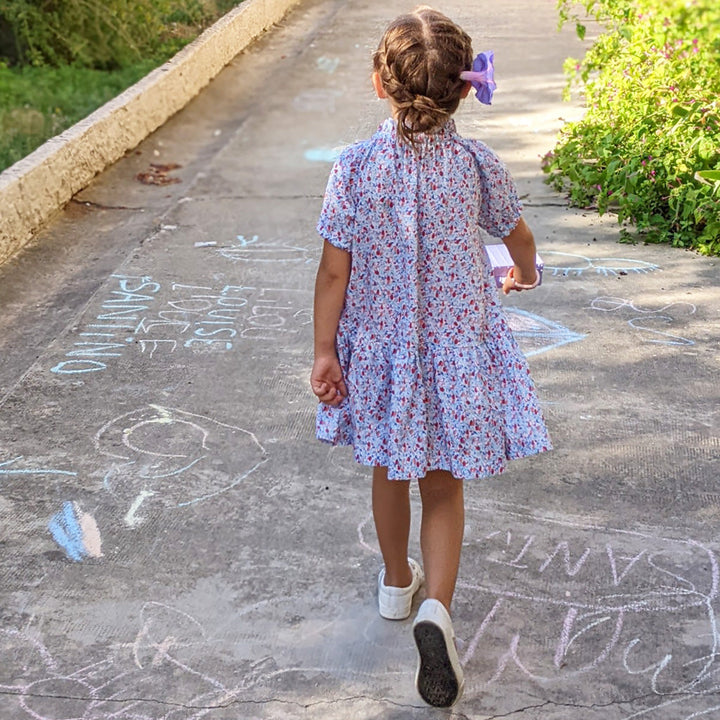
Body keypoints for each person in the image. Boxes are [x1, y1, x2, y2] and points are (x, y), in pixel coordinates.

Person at [310, 5, 551, 708]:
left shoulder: (353, 168)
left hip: (383, 355)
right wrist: (525, 273)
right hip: (456, 354)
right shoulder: (476, 163)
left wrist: (326, 351)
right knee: (443, 483)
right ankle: (436, 610)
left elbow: (333, 272)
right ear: (464, 88)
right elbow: (518, 236)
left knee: (391, 466)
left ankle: (395, 582)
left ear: (379, 84)